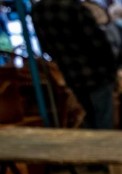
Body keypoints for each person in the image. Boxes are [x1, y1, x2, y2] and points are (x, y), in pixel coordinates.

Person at [32, 0, 117, 130]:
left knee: (88, 115)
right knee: (103, 119)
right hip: (96, 72)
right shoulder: (74, 7)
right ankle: (104, 149)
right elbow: (98, 42)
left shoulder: (38, 10)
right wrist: (112, 68)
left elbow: (45, 47)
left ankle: (93, 148)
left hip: (70, 73)